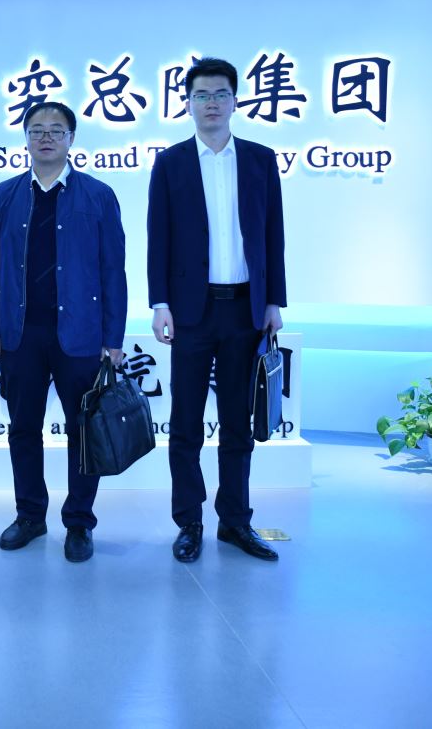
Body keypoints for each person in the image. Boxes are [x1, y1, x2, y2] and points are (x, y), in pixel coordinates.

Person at [147, 57, 287, 564]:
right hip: (191, 311)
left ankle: (235, 521)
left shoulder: (260, 160)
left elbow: (273, 235)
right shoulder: (171, 163)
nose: (211, 103)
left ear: (235, 100)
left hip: (245, 309)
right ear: (188, 104)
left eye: (220, 94)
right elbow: (158, 237)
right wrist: (160, 302)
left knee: (237, 423)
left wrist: (274, 301)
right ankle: (189, 522)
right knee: (185, 423)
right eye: (201, 95)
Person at [0, 101, 127, 563]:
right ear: (25, 138)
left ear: (71, 139)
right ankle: (30, 515)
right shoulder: (6, 195)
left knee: (84, 432)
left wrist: (113, 338)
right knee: (23, 429)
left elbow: (113, 270)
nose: (46, 137)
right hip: (20, 334)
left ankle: (79, 521)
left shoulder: (98, 195)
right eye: (37, 130)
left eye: (56, 130)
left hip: (80, 337)